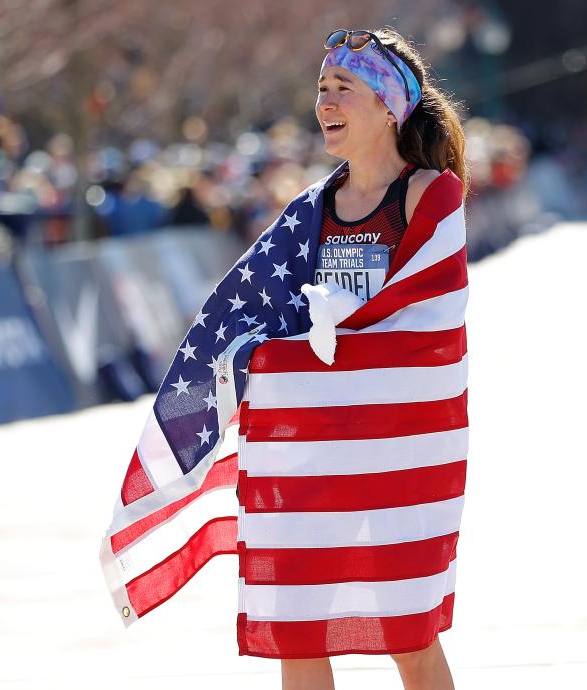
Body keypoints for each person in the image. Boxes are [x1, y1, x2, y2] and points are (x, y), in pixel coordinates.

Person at [100, 27, 469, 690]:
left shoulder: (429, 195)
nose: (324, 100)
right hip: (308, 445)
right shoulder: (310, 213)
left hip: (396, 450)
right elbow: (248, 317)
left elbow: (430, 323)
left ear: (389, 106)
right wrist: (262, 359)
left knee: (408, 634)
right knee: (298, 630)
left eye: (343, 88)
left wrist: (332, 343)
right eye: (321, 88)